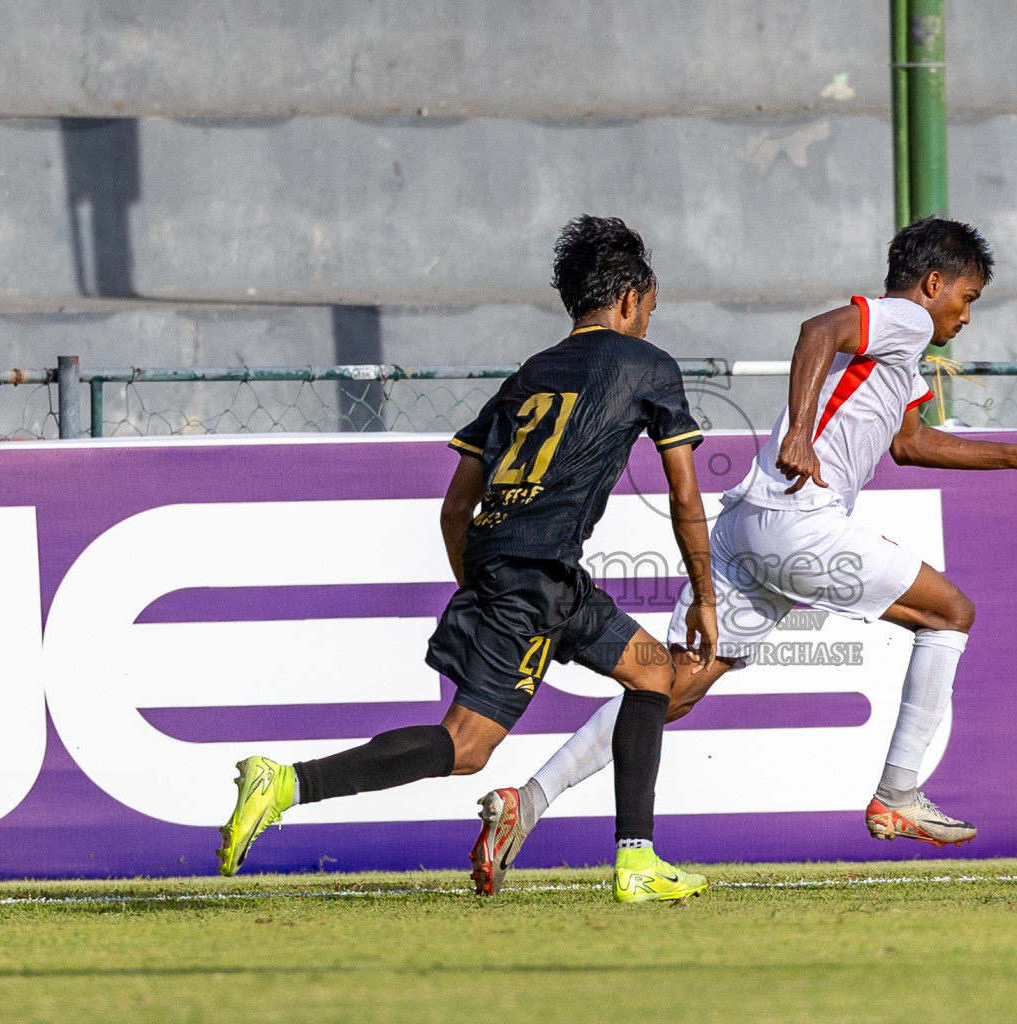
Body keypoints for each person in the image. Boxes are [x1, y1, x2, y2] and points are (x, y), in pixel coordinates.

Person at [468, 216, 1017, 895]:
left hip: (750, 526)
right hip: (798, 518)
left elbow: (911, 442)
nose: (966, 316)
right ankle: (899, 794)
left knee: (671, 685)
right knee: (950, 614)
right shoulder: (904, 319)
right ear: (934, 284)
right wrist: (800, 439)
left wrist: (1014, 454)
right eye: (967, 298)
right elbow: (817, 331)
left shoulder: (898, 352)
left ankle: (525, 803)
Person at [217, 215, 719, 903]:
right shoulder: (647, 365)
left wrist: (483, 582)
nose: (647, 323)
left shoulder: (528, 376)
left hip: (528, 570)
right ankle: (288, 783)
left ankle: (637, 860)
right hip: (535, 578)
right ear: (630, 301)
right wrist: (707, 599)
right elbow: (685, 497)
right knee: (466, 747)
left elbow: (456, 508)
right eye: (649, 311)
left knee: (653, 673)